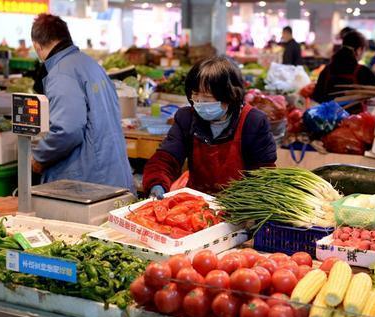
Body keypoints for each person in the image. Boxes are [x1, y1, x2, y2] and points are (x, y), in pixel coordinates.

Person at [143, 56, 277, 196]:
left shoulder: (253, 122)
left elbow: (263, 175)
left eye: (206, 97)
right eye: (195, 95)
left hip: (239, 206)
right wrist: (156, 182)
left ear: (230, 95)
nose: (199, 102)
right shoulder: (186, 118)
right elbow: (166, 158)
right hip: (196, 203)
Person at [30, 14, 134, 191]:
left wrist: (39, 156)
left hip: (89, 183)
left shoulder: (61, 73)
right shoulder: (90, 64)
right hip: (113, 175)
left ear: (37, 45)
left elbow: (67, 130)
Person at [312, 30, 375, 113]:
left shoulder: (327, 70)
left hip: (328, 122)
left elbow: (316, 96)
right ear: (359, 50)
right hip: (354, 122)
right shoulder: (362, 71)